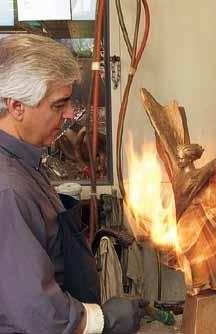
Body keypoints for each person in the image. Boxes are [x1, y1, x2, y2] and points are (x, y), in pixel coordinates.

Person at [0, 34, 147, 334]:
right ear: (17, 107)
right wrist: (102, 321)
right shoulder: (8, 189)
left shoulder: (26, 161)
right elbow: (36, 311)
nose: (69, 114)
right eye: (59, 104)